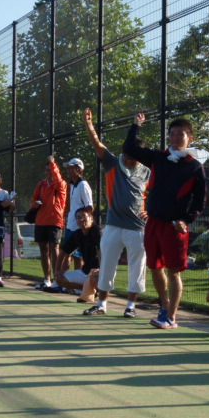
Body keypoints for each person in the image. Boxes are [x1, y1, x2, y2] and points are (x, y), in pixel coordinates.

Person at [123, 113, 206, 329]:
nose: (176, 137)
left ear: (190, 138)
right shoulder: (158, 157)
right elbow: (130, 148)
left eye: (181, 134)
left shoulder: (195, 167)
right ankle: (165, 306)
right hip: (154, 223)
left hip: (174, 227)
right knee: (154, 267)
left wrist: (186, 221)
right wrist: (136, 125)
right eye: (172, 134)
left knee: (174, 271)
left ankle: (171, 317)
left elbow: (199, 202)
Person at [80, 107, 150, 318]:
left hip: (138, 228)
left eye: (134, 157)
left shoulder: (148, 170)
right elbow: (97, 144)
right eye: (127, 156)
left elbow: (158, 193)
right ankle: (101, 304)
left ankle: (130, 307)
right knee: (107, 266)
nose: (130, 160)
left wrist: (152, 211)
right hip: (113, 225)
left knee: (137, 269)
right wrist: (89, 124)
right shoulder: (112, 162)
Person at [52, 157, 93, 283]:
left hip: (78, 227)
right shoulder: (73, 184)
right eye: (68, 168)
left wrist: (83, 224)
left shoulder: (83, 185)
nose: (69, 170)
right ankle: (61, 282)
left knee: (77, 256)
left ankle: (77, 284)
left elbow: (89, 206)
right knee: (66, 254)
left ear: (79, 169)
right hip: (71, 225)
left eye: (72, 167)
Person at [30, 155, 67, 290]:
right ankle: (47, 279)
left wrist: (53, 164)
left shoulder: (61, 184)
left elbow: (57, 178)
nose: (48, 172)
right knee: (43, 250)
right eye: (47, 170)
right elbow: (33, 201)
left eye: (51, 170)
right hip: (41, 221)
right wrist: (35, 204)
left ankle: (58, 281)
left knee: (55, 249)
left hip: (55, 221)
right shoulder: (41, 185)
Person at [48, 207, 100, 294]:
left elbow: (102, 252)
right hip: (85, 272)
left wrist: (102, 270)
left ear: (91, 219)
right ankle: (86, 290)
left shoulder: (98, 232)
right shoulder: (77, 234)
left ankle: (100, 297)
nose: (81, 220)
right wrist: (57, 270)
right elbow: (63, 252)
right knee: (59, 279)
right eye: (78, 218)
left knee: (96, 278)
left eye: (84, 217)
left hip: (101, 271)